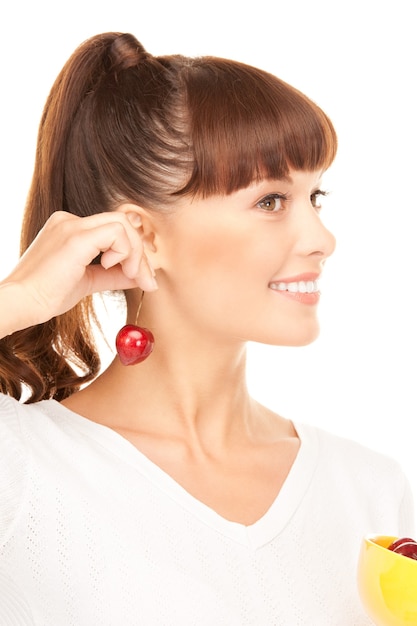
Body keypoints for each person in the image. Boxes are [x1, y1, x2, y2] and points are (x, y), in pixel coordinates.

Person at [0, 32, 414, 626]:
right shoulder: (18, 467)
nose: (323, 240)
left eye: (315, 196)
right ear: (143, 235)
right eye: (271, 201)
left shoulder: (369, 489)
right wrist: (18, 299)